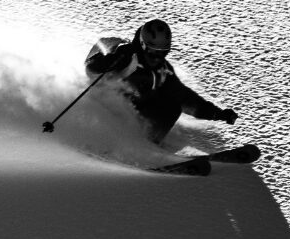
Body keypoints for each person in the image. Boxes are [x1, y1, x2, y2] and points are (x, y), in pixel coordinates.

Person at [84, 19, 237, 145]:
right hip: (103, 109)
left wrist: (218, 114)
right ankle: (108, 143)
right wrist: (111, 61)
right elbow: (91, 68)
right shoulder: (125, 54)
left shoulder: (162, 71)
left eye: (162, 53)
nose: (157, 58)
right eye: (153, 52)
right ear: (143, 45)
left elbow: (185, 98)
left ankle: (146, 147)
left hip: (133, 114)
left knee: (172, 107)